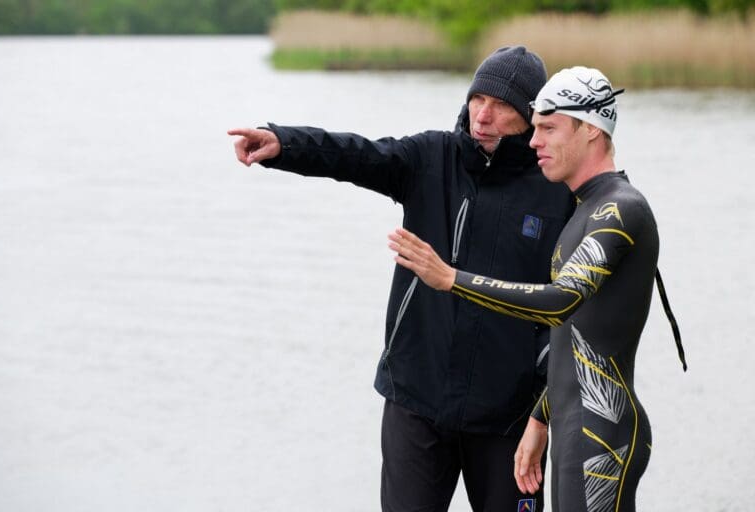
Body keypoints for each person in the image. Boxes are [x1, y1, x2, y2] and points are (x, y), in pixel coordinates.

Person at [228, 46, 574, 512]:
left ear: (530, 116)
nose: (483, 115)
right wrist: (284, 144)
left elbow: (567, 313)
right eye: (477, 99)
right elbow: (356, 155)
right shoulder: (431, 157)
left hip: (507, 418)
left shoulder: (555, 189)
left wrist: (542, 415)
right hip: (417, 398)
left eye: (501, 105)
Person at [388, 66, 686, 512]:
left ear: (590, 130)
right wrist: (539, 418)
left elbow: (560, 302)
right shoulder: (584, 210)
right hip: (571, 428)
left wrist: (451, 278)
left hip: (601, 436)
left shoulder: (620, 210)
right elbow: (576, 338)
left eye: (548, 128)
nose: (533, 140)